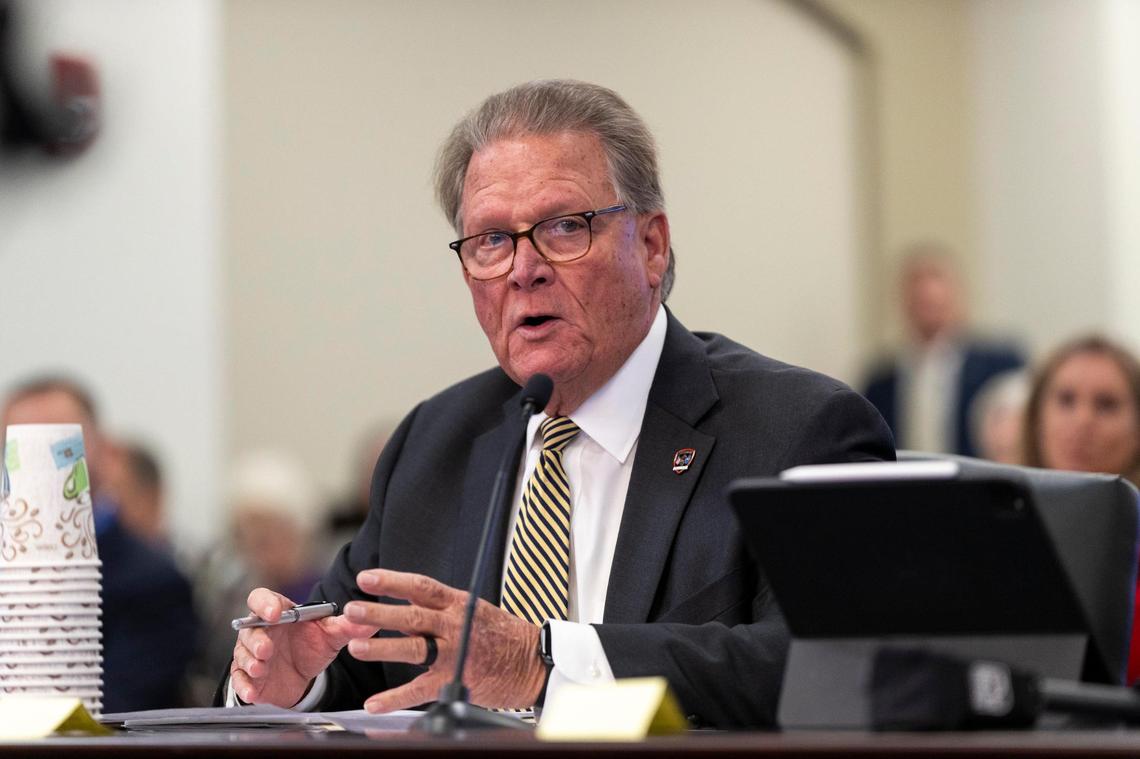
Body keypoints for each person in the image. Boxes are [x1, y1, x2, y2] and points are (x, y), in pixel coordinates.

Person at [225, 79, 894, 728]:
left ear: (652, 244)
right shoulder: (434, 443)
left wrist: (544, 663)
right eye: (490, 240)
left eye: (564, 226)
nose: (524, 269)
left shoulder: (798, 429)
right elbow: (364, 667)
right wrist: (294, 685)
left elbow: (831, 667)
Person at [2, 376, 199, 712]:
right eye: (20, 448)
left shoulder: (154, 581)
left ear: (103, 451)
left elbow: (118, 707)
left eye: (58, 445)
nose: (40, 464)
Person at [1021, 334, 1140, 683]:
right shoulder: (990, 532)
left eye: (1106, 404)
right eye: (1066, 400)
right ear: (1037, 419)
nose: (1083, 420)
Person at [188, 450, 325, 705]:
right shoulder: (231, 595)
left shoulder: (325, 593)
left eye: (265, 526)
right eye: (244, 528)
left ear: (298, 527)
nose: (253, 538)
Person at [862, 244, 1024, 457]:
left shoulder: (1000, 365)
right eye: (916, 283)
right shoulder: (880, 381)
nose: (927, 291)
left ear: (958, 294)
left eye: (936, 279)